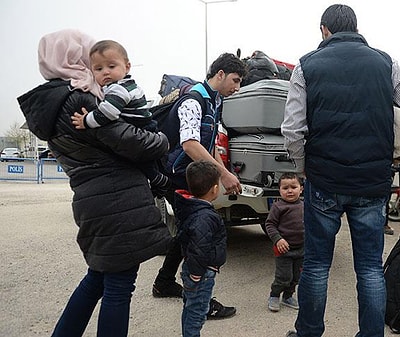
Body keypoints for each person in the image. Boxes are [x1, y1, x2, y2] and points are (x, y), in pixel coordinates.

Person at [281, 4, 400, 337]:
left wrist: (304, 168)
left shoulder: (306, 65)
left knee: (317, 266)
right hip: (372, 183)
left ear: (324, 30)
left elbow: (292, 130)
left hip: (324, 181)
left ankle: (308, 332)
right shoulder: (385, 62)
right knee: (369, 269)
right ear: (355, 27)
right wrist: (398, 149)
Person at [17, 29, 171, 337]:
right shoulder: (79, 100)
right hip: (118, 198)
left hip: (91, 197)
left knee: (97, 279)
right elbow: (134, 143)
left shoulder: (49, 103)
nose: (94, 64)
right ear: (75, 57)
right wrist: (163, 139)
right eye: (88, 55)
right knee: (119, 286)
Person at [151, 52, 247, 319]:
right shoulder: (193, 101)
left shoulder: (213, 101)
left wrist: (224, 173)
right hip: (179, 178)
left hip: (189, 176)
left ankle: (164, 282)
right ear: (220, 75)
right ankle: (200, 301)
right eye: (235, 80)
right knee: (198, 233)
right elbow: (190, 145)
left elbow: (208, 144)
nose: (237, 87)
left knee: (186, 230)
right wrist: (224, 176)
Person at [70, 39, 169, 196]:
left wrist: (86, 121)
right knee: (145, 162)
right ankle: (158, 182)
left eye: (111, 66)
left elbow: (108, 113)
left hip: (141, 127)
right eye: (98, 69)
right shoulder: (126, 85)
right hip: (144, 126)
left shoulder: (119, 88)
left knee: (142, 162)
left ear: (127, 66)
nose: (105, 72)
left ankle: (159, 181)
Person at [176, 159, 227, 337]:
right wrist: (197, 274)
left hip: (195, 270)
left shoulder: (192, 208)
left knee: (190, 308)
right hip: (201, 274)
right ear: (214, 189)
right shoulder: (204, 217)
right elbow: (199, 247)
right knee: (197, 312)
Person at [265, 172, 304, 312]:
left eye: (293, 187)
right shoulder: (278, 207)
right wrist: (278, 239)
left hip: (301, 249)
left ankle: (288, 296)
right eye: (285, 188)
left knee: (296, 277)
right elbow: (270, 225)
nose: (289, 191)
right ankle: (274, 295)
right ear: (279, 190)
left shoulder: (305, 206)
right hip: (283, 250)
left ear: (301, 189)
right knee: (283, 277)